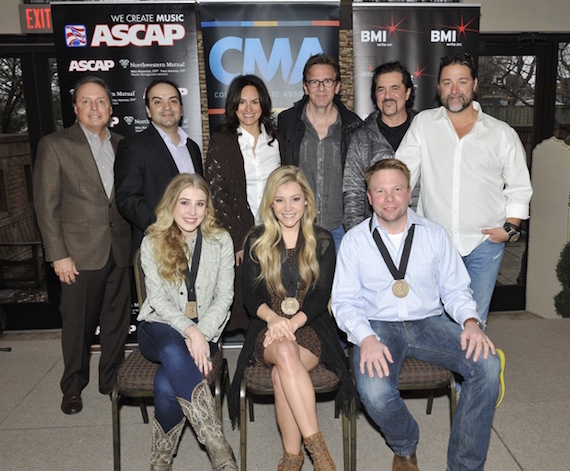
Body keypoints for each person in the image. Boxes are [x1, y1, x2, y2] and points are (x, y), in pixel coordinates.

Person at [332, 159, 501, 471]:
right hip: (377, 326)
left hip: (428, 324)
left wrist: (470, 322)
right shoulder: (355, 241)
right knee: (374, 391)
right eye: (380, 191)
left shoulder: (434, 235)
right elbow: (344, 301)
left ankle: (465, 466)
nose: (389, 198)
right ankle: (405, 444)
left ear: (409, 192)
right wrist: (365, 338)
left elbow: (455, 288)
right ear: (369, 197)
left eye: (396, 189)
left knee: (488, 365)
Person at [229, 166, 356, 471]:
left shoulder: (322, 240)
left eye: (295, 199)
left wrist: (293, 322)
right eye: (280, 200)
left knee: (279, 375)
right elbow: (250, 295)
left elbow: (320, 295)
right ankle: (321, 455)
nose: (288, 208)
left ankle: (292, 459)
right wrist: (275, 320)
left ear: (306, 202)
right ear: (270, 204)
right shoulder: (257, 240)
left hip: (309, 325)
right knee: (284, 351)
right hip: (267, 328)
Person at [396, 53, 533, 326]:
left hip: (484, 245)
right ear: (438, 88)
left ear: (475, 85)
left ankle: (473, 368)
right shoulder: (424, 124)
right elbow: (400, 174)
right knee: (437, 320)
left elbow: (519, 186)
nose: (455, 90)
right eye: (447, 83)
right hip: (436, 244)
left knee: (473, 321)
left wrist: (509, 229)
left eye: (462, 82)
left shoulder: (501, 134)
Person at [33, 76, 131, 414]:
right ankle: (72, 387)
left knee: (116, 321)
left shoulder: (122, 144)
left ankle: (112, 380)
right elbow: (46, 206)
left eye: (101, 101)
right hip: (77, 254)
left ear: (110, 108)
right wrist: (58, 254)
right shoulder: (55, 144)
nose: (94, 107)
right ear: (75, 108)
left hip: (119, 249)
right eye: (86, 101)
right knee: (78, 326)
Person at [137, 173, 237, 471]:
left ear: (208, 209)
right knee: (171, 346)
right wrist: (191, 331)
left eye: (200, 204)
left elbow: (225, 296)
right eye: (184, 203)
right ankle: (217, 444)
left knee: (167, 380)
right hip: (158, 327)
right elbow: (158, 300)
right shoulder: (152, 241)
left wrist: (202, 333)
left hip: (206, 330)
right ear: (171, 204)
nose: (192, 212)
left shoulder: (221, 241)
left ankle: (160, 460)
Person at [205, 74, 282, 332]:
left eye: (254, 102)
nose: (248, 109)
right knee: (245, 293)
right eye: (242, 103)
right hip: (242, 233)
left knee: (277, 291)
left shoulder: (277, 138)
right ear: (233, 106)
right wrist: (239, 239)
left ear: (263, 104)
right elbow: (218, 195)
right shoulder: (223, 141)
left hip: (277, 230)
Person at [278, 54, 362, 250]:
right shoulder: (287, 123)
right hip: (298, 226)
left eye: (328, 81)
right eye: (315, 82)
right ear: (305, 87)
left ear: (338, 86)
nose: (321, 88)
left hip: (341, 229)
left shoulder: (353, 126)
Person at [114, 78, 203, 256]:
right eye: (158, 102)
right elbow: (127, 198)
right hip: (157, 246)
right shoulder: (133, 146)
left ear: (181, 108)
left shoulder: (192, 147)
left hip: (196, 244)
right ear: (148, 110)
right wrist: (165, 228)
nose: (167, 107)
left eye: (173, 101)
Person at [343, 61, 416, 231]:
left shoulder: (424, 130)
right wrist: (359, 238)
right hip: (376, 236)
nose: (387, 95)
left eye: (394, 88)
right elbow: (353, 193)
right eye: (381, 89)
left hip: (420, 234)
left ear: (407, 93)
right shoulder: (361, 137)